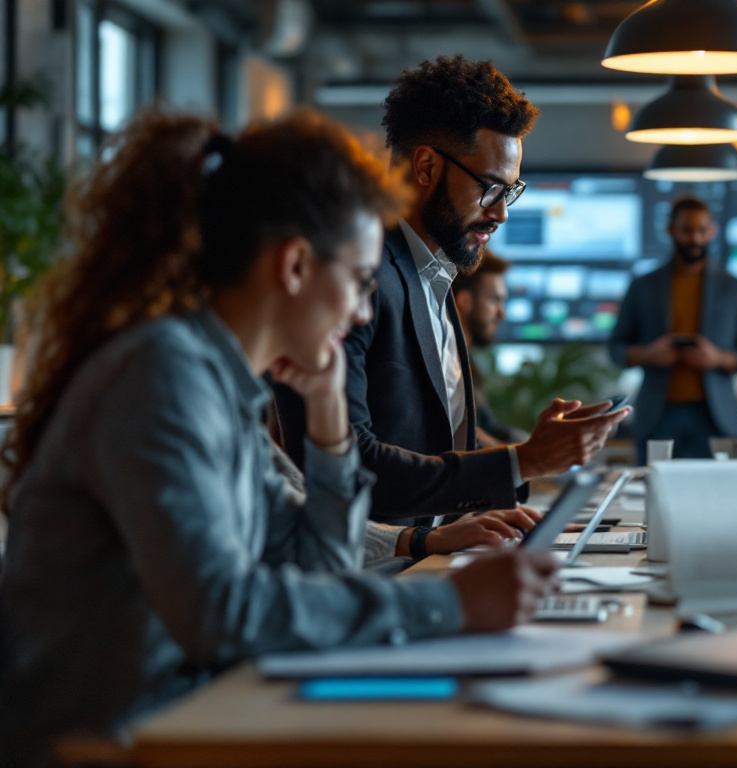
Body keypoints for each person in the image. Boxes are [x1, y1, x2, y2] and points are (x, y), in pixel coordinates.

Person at [0, 111, 559, 765]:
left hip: (192, 720)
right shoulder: (160, 374)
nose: (361, 312)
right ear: (294, 266)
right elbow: (222, 612)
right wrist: (447, 605)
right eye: (357, 281)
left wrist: (328, 422)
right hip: (110, 742)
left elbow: (319, 566)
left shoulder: (217, 383)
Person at [275, 55, 629, 531]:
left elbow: (437, 444)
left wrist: (510, 479)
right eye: (490, 189)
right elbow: (346, 463)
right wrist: (522, 462)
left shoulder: (437, 271)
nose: (502, 213)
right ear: (425, 167)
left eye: (511, 191)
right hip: (371, 572)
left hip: (428, 554)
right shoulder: (356, 279)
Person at [608, 196, 737, 462]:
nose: (695, 238)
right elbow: (615, 349)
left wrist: (718, 358)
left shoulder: (733, 288)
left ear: (712, 231)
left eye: (701, 230)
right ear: (671, 230)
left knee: (714, 499)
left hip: (714, 417)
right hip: (657, 416)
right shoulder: (643, 285)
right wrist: (649, 355)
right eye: (687, 230)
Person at [452, 248, 528, 446]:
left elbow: (489, 427)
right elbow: (467, 434)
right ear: (465, 301)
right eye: (495, 300)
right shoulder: (447, 363)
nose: (502, 314)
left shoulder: (468, 361)